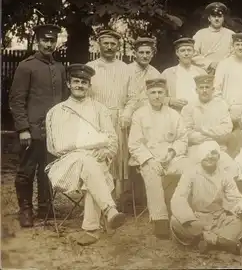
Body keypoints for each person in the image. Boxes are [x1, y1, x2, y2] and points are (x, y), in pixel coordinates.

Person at [45, 64, 126, 245]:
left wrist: (105, 149)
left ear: (89, 86)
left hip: (96, 162)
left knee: (93, 167)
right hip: (67, 164)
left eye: (84, 82)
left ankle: (92, 228)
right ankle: (109, 210)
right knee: (90, 163)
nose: (80, 85)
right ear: (68, 84)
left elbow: (112, 140)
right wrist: (92, 143)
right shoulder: (57, 111)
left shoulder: (100, 109)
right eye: (76, 81)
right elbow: (56, 146)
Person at [9, 24, 67, 227]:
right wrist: (23, 128)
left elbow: (63, 101)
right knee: (27, 171)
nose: (48, 44)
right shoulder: (27, 66)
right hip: (31, 131)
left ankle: (45, 207)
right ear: (37, 41)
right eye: (45, 40)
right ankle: (25, 210)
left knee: (48, 169)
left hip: (52, 132)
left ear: (56, 43)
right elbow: (16, 100)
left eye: (52, 41)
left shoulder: (59, 68)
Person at [128, 78, 190, 239]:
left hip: (171, 157)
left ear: (165, 94)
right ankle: (160, 218)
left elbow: (182, 138)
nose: (157, 96)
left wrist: (172, 152)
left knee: (191, 169)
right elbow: (135, 144)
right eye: (153, 92)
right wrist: (150, 159)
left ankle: (186, 212)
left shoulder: (174, 114)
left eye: (160, 92)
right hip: (148, 158)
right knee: (152, 173)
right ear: (147, 94)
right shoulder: (139, 115)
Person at [170, 141, 242, 255]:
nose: (209, 156)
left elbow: (236, 198)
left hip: (219, 219)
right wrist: (190, 220)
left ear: (218, 156)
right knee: (176, 221)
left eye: (213, 153)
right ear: (199, 156)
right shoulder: (190, 173)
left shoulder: (225, 175)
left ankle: (207, 240)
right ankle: (219, 241)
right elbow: (179, 198)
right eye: (205, 153)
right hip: (197, 219)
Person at [86, 29, 130, 197]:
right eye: (106, 43)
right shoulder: (90, 67)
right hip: (96, 119)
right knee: (98, 156)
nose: (109, 47)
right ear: (99, 45)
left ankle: (116, 200)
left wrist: (126, 113)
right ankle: (97, 197)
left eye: (113, 44)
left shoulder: (125, 68)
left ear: (118, 46)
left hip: (119, 118)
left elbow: (132, 97)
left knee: (118, 158)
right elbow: (85, 96)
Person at [213, 32, 242, 155]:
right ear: (232, 46)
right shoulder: (224, 65)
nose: (240, 47)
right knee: (227, 148)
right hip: (227, 112)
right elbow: (216, 90)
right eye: (237, 44)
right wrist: (226, 111)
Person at [181, 75, 237, 178]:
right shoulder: (188, 108)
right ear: (196, 90)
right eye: (201, 88)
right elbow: (186, 132)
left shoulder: (221, 105)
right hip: (196, 148)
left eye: (207, 87)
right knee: (193, 172)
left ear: (213, 89)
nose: (204, 90)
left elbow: (227, 128)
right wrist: (210, 136)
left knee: (231, 169)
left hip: (218, 148)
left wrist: (204, 131)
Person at [121, 37, 162, 128]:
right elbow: (121, 97)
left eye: (148, 53)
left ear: (152, 54)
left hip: (149, 117)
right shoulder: (126, 70)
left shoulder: (156, 74)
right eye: (141, 52)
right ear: (135, 54)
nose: (144, 56)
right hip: (127, 116)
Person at [162, 37, 207, 112]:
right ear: (177, 53)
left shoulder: (201, 73)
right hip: (176, 114)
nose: (186, 53)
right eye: (182, 50)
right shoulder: (167, 73)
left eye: (189, 50)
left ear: (193, 52)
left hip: (198, 114)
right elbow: (157, 96)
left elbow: (210, 94)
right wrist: (170, 101)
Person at [192, 2, 235, 74]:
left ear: (223, 18)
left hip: (226, 71)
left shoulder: (231, 34)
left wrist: (222, 64)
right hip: (204, 72)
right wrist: (210, 64)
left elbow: (234, 54)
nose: (217, 19)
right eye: (214, 16)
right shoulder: (200, 34)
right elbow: (193, 54)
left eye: (219, 16)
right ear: (209, 18)